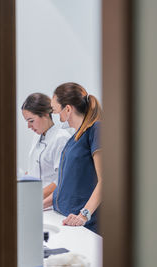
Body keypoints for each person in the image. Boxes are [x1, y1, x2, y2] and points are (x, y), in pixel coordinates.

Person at [43, 82, 102, 233]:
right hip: (67, 220)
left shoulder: (95, 130)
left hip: (86, 226)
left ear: (68, 109)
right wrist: (40, 204)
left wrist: (84, 215)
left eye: (57, 112)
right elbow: (65, 186)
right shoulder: (74, 139)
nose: (59, 119)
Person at [21, 93, 71, 199]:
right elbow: (33, 170)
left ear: (45, 114)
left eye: (31, 121)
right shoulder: (37, 136)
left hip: (50, 203)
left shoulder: (61, 138)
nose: (29, 126)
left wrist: (35, 198)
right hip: (33, 199)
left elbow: (61, 180)